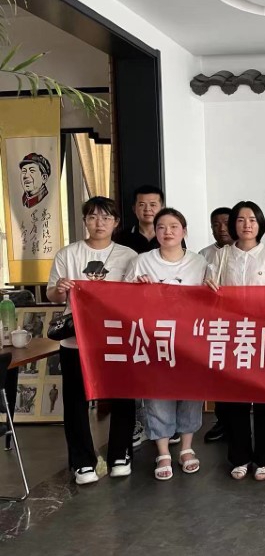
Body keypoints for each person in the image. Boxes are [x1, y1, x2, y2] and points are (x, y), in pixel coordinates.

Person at [46, 196, 138, 484]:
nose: (99, 223)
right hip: (76, 339)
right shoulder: (68, 254)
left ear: (116, 223)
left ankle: (120, 454)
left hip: (115, 337)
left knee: (123, 395)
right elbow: (53, 296)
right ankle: (82, 462)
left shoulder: (128, 256)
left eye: (106, 218)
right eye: (93, 217)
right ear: (85, 220)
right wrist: (60, 289)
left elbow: (136, 296)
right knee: (75, 400)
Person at [125, 208, 207, 480]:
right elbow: (121, 299)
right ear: (155, 232)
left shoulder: (199, 262)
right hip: (154, 338)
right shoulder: (142, 261)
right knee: (157, 393)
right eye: (161, 227)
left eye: (174, 226)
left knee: (191, 394)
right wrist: (136, 289)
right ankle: (162, 451)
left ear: (184, 231)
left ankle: (186, 448)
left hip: (190, 338)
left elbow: (210, 300)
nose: (168, 232)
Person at [205, 201, 265, 481]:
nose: (247, 225)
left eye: (252, 219)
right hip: (231, 335)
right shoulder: (222, 255)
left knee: (263, 399)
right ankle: (239, 456)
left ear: (260, 223)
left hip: (263, 334)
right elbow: (209, 294)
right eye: (240, 220)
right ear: (233, 225)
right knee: (235, 400)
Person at [114, 184, 170, 448]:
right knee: (136, 371)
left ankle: (165, 425)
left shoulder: (169, 235)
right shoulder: (122, 240)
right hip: (133, 317)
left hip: (165, 318)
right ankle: (140, 423)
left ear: (161, 207)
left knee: (162, 371)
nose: (148, 209)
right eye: (142, 205)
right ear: (134, 208)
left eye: (153, 204)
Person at [198, 206, 233, 444]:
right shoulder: (204, 255)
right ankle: (223, 420)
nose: (221, 229)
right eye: (216, 224)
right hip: (215, 325)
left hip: (244, 326)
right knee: (220, 375)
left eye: (226, 223)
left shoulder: (244, 252)